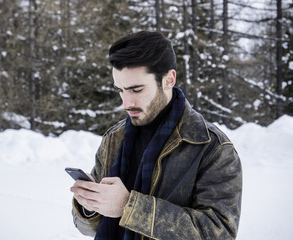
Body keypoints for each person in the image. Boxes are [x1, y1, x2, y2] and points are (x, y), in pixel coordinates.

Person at [70, 31, 242, 240]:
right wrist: (90, 207)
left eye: (136, 89)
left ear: (168, 80)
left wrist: (128, 206)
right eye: (121, 90)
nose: (126, 103)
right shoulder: (114, 139)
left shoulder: (212, 148)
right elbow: (91, 227)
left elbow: (219, 233)